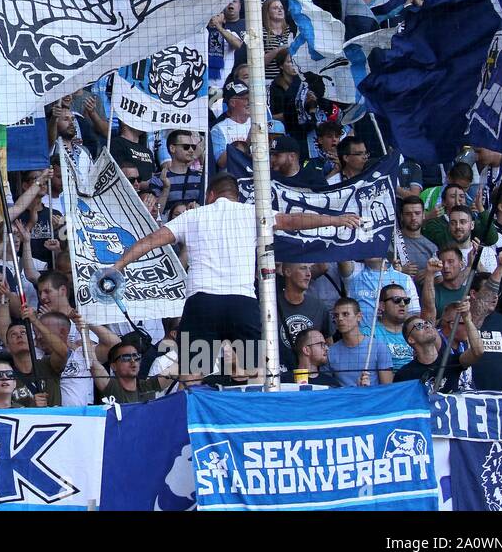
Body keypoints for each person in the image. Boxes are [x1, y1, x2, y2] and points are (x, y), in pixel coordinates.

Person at [108, 175, 359, 378]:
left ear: (210, 195)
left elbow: (153, 240)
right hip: (242, 302)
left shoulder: (193, 215)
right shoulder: (251, 213)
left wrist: (118, 265)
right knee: (253, 369)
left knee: (194, 372)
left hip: (203, 303)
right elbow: (293, 220)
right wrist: (336, 220)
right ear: (236, 197)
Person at [395, 302, 483, 393]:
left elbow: (478, 351)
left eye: (427, 323)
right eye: (419, 326)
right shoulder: (404, 374)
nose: (426, 325)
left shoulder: (451, 362)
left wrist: (467, 319)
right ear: (411, 339)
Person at [325, 296, 394, 387]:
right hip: (344, 399)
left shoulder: (378, 346)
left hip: (372, 399)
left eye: (345, 314)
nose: (340, 319)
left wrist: (368, 390)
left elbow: (387, 388)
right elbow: (327, 388)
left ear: (359, 317)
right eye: (336, 315)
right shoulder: (330, 352)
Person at [150, 130, 206, 216]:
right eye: (186, 147)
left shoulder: (200, 178)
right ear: (172, 148)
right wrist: (166, 188)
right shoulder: (158, 179)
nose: (191, 150)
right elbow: (155, 214)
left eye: (193, 147)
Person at [209, 81, 253, 169]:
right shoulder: (218, 129)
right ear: (232, 103)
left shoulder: (258, 123)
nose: (249, 102)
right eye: (245, 98)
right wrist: (246, 144)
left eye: (250, 98)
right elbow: (221, 162)